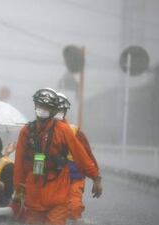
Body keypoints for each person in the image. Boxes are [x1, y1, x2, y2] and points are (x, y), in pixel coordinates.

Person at [13, 88, 102, 225]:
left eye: (46, 106)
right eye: (40, 105)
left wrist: (96, 178)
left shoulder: (64, 130)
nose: (42, 109)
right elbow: (19, 163)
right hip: (34, 193)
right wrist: (18, 188)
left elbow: (81, 156)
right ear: (35, 105)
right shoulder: (26, 131)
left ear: (53, 110)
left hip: (58, 192)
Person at [55, 92, 100, 223]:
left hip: (75, 179)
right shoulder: (41, 131)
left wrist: (96, 179)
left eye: (60, 108)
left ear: (65, 110)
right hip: (52, 180)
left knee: (74, 209)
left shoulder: (74, 131)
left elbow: (88, 156)